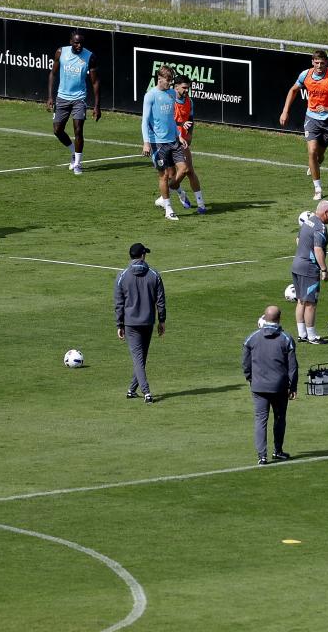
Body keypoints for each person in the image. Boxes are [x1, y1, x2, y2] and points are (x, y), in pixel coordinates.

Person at [279, 49, 328, 201]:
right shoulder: (305, 75)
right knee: (311, 151)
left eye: (322, 63)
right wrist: (285, 111)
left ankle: (315, 164)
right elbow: (293, 90)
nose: (319, 66)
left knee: (319, 155)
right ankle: (318, 188)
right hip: (311, 118)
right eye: (316, 63)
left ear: (326, 63)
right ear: (312, 62)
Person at [243, 305, 299, 465]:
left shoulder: (252, 338)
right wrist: (293, 386)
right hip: (279, 387)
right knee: (279, 418)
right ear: (279, 318)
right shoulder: (286, 338)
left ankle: (262, 456)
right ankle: (278, 451)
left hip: (258, 386)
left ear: (264, 318)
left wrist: (250, 378)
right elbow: (293, 366)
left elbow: (245, 363)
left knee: (261, 419)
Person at [115, 242, 166, 404]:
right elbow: (161, 301)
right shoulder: (154, 275)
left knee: (139, 358)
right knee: (141, 357)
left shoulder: (122, 276)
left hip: (131, 323)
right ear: (143, 255)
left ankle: (145, 392)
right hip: (148, 322)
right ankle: (135, 390)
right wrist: (162, 320)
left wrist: (119, 324)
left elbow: (119, 303)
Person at [46, 30, 101, 175]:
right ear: (71, 41)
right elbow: (53, 73)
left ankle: (77, 164)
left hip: (79, 98)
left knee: (78, 130)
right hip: (62, 97)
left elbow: (95, 82)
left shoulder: (90, 57)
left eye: (81, 43)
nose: (79, 45)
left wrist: (97, 105)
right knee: (57, 130)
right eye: (76, 42)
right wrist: (50, 97)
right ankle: (73, 152)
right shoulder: (60, 52)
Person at [141, 65, 188, 221]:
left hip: (173, 140)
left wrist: (179, 135)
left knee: (184, 169)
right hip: (158, 143)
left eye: (171, 80)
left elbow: (171, 119)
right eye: (167, 80)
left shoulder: (171, 94)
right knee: (163, 175)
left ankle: (172, 191)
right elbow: (145, 121)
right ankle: (168, 208)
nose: (169, 83)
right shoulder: (150, 96)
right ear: (159, 79)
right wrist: (146, 142)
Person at [292, 201, 328, 345]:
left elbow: (298, 240)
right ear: (326, 213)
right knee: (311, 303)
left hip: (297, 265)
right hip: (309, 269)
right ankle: (312, 336)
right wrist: (324, 269)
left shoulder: (308, 221)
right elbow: (318, 249)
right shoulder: (320, 227)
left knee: (301, 301)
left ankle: (302, 333)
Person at [169, 74, 207, 214]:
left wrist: (189, 133)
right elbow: (169, 121)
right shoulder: (169, 100)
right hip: (169, 139)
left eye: (188, 88)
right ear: (176, 87)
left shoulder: (189, 102)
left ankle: (201, 204)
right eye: (184, 88)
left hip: (182, 141)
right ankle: (179, 195)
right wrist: (181, 124)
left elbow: (190, 119)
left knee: (188, 170)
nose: (186, 90)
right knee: (172, 173)